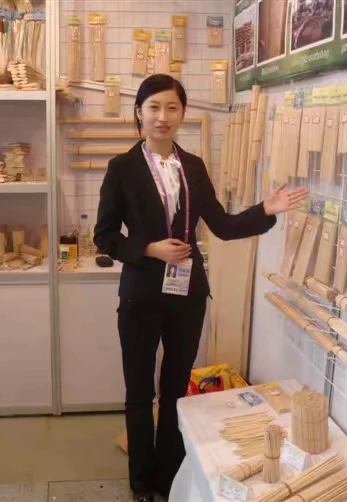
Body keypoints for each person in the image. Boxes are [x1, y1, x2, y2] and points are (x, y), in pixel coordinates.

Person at [93, 74, 308, 502]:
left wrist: (265, 210)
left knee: (176, 392)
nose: (163, 117)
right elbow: (105, 237)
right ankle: (141, 483)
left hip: (187, 298)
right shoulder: (122, 168)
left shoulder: (193, 166)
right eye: (154, 107)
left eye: (172, 108)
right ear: (139, 113)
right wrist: (149, 248)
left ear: (182, 114)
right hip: (140, 296)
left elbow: (223, 225)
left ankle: (168, 476)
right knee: (140, 393)